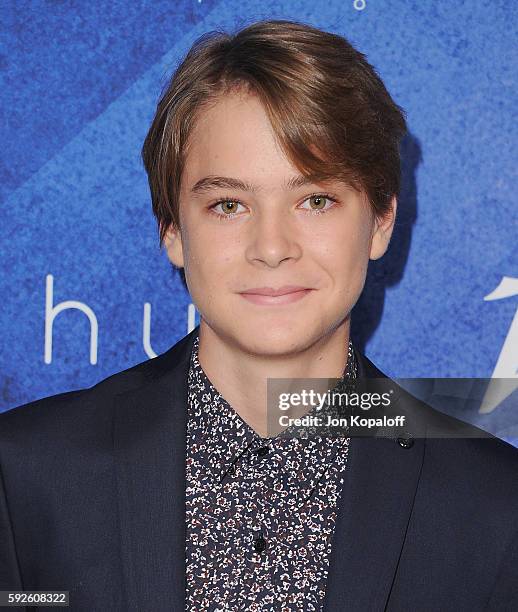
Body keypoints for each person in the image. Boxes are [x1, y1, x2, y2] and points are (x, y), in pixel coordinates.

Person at [1, 19, 517, 612]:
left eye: (315, 200)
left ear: (380, 220)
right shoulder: (27, 480)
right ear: (172, 228)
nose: (271, 246)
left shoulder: (495, 508)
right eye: (228, 204)